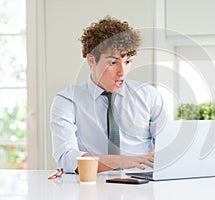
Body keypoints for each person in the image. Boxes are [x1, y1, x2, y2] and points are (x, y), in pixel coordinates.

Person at [50, 16, 167, 173]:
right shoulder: (67, 100)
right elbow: (66, 159)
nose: (122, 72)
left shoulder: (149, 96)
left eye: (127, 62)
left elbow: (167, 147)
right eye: (113, 63)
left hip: (142, 187)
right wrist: (123, 161)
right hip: (90, 188)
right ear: (91, 60)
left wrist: (159, 154)